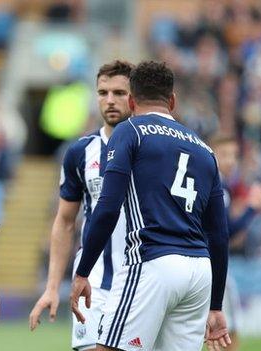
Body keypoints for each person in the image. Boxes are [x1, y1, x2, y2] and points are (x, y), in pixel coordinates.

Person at [69, 61, 230, 351]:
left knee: (108, 347)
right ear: (172, 100)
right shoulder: (205, 149)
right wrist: (216, 305)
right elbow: (219, 235)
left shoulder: (130, 131)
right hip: (199, 274)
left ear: (131, 101)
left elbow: (107, 208)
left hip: (152, 260)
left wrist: (83, 271)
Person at [28, 60, 133, 351]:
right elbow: (64, 221)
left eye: (119, 93)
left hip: (143, 280)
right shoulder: (79, 152)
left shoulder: (151, 149)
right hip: (94, 282)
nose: (109, 100)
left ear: (134, 96)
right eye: (103, 92)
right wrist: (51, 286)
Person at [210, 134, 261, 351]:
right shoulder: (219, 186)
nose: (230, 160)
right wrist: (253, 207)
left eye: (233, 155)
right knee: (228, 334)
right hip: (214, 268)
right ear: (212, 154)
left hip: (201, 264)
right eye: (224, 154)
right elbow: (227, 232)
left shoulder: (214, 183)